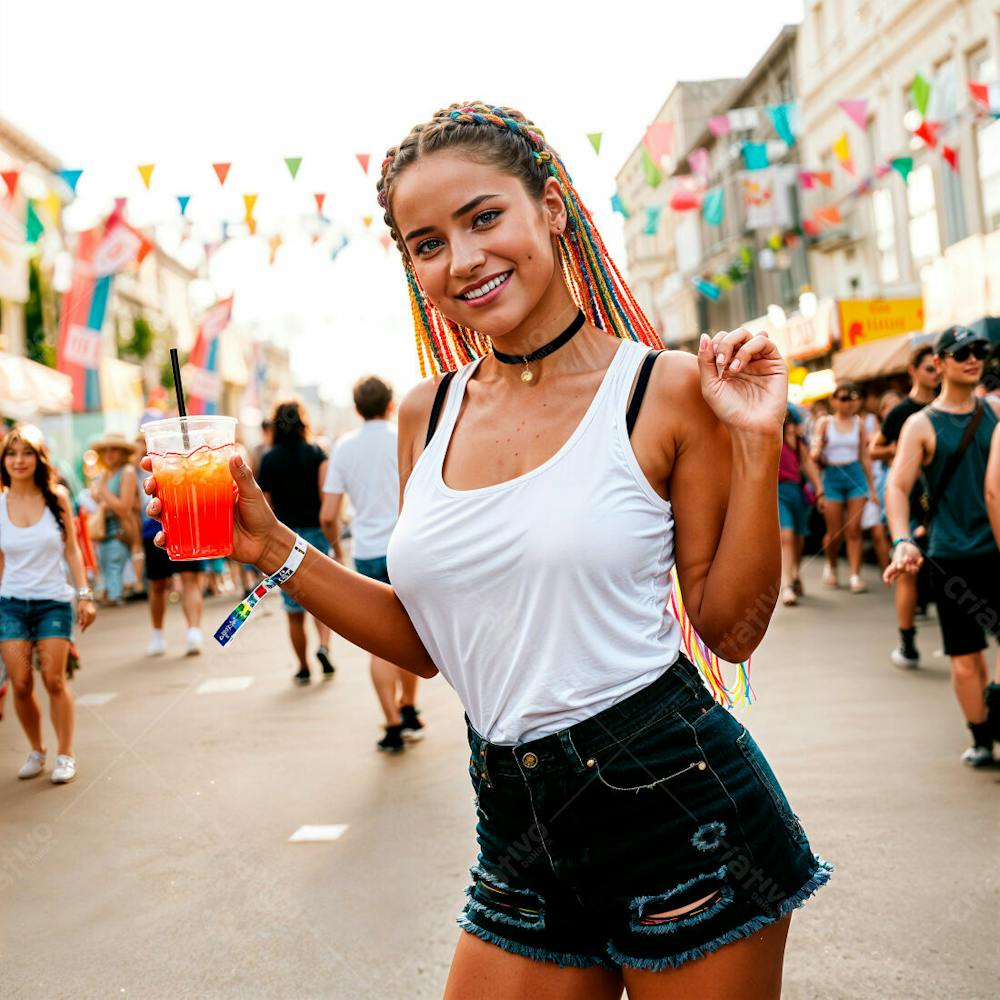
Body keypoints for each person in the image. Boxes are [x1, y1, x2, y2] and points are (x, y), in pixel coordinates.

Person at [145, 102, 830, 996]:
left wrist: (751, 442)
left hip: (676, 808)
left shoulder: (662, 390)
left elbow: (730, 630)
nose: (462, 259)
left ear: (551, 208)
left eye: (483, 218)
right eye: (426, 243)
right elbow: (432, 644)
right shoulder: (424, 412)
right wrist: (270, 543)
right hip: (513, 818)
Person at [884, 325, 1000, 767]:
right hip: (953, 559)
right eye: (962, 352)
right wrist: (899, 540)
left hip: (997, 550)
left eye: (979, 351)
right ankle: (982, 738)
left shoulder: (993, 410)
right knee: (967, 659)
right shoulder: (921, 424)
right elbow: (897, 487)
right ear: (940, 363)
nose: (972, 359)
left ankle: (994, 705)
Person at [320, 375, 422, 753]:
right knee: (413, 636)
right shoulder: (405, 435)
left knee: (380, 644)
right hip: (406, 547)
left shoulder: (344, 448)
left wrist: (338, 551)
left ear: (357, 408)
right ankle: (410, 709)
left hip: (366, 550)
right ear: (390, 403)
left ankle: (393, 724)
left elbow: (329, 512)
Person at [0, 425, 96, 784]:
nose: (18, 460)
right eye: (12, 453)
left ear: (38, 458)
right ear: (4, 460)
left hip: (53, 603)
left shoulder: (55, 498)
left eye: (26, 453)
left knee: (54, 680)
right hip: (10, 604)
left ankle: (65, 754)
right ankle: (37, 749)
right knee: (22, 683)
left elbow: (73, 550)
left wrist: (84, 595)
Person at [870, 346, 941, 668]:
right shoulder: (902, 413)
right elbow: (875, 449)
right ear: (913, 370)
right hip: (912, 501)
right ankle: (907, 641)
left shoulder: (947, 407)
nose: (935, 373)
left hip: (944, 503)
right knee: (908, 570)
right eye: (928, 368)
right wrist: (903, 450)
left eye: (937, 367)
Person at [257, 400, 334, 684]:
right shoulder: (317, 454)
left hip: (284, 539)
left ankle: (302, 667)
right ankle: (324, 648)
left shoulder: (269, 459)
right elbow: (326, 497)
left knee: (293, 610)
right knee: (322, 603)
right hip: (314, 536)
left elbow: (264, 506)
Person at [134, 430, 205, 657]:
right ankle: (157, 634)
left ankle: (194, 631)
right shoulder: (136, 471)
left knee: (189, 579)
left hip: (184, 526)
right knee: (157, 584)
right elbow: (135, 507)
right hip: (152, 530)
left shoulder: (181, 460)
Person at [810, 382, 877, 592]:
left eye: (853, 398)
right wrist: (817, 449)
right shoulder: (825, 423)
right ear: (834, 400)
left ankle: (855, 574)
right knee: (834, 532)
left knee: (854, 529)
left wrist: (872, 488)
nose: (849, 402)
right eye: (844, 398)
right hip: (832, 476)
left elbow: (864, 456)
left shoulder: (859, 424)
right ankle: (832, 565)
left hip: (854, 475)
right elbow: (813, 454)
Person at [778, 407, 823, 607]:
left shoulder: (798, 443)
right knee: (786, 536)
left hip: (797, 492)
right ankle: (786, 585)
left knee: (798, 537)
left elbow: (807, 464)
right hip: (777, 493)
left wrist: (820, 490)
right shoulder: (771, 439)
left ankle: (795, 573)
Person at [89, 432, 138, 607]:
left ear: (123, 452)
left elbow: (124, 508)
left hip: (119, 531)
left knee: (114, 567)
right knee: (107, 567)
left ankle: (115, 596)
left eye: (114, 449)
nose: (109, 454)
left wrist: (102, 491)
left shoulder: (127, 472)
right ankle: (112, 594)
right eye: (106, 450)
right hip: (105, 533)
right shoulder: (108, 474)